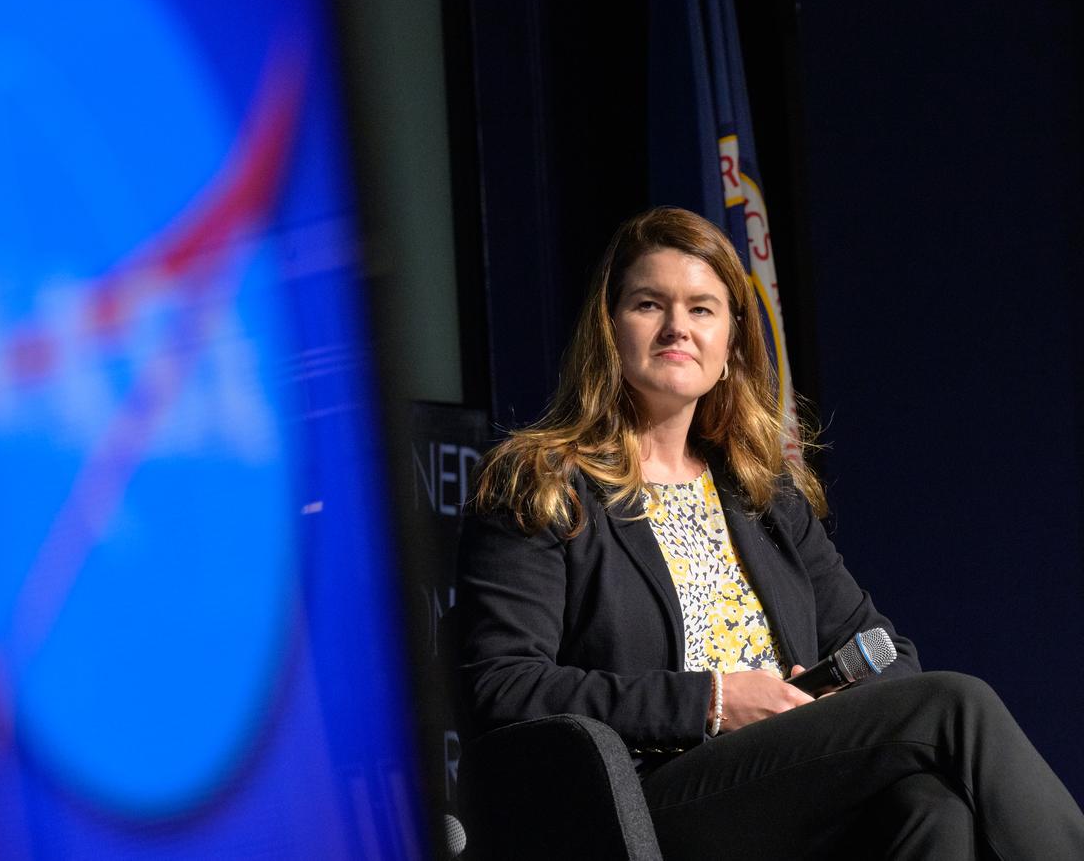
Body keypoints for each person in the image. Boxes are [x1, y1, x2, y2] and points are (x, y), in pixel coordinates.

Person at [455, 207, 1084, 859]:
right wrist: (713, 701)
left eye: (702, 309)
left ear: (731, 347)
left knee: (930, 806)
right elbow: (507, 686)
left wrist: (829, 698)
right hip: (642, 801)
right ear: (610, 329)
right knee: (957, 704)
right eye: (650, 304)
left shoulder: (762, 494)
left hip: (783, 785)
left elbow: (888, 653)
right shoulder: (543, 482)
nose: (677, 327)